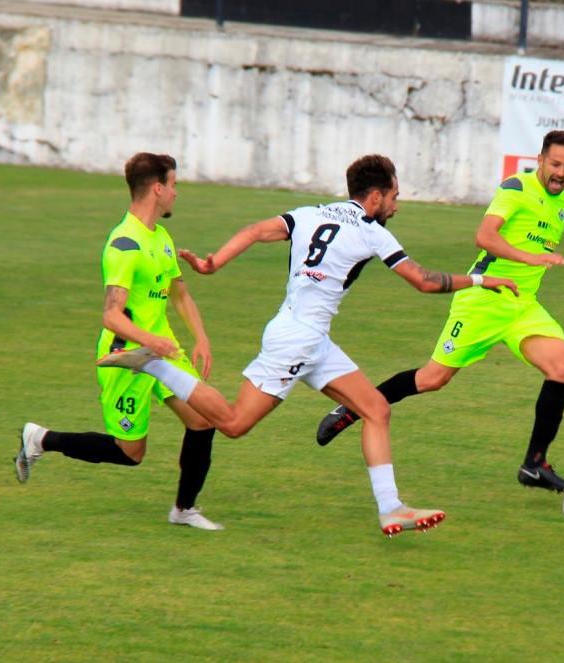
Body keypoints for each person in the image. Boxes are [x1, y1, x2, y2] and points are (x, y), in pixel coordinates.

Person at [97, 154, 518, 537]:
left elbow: (255, 231)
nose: (396, 205)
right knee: (233, 424)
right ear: (374, 197)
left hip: (308, 337)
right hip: (297, 340)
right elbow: (424, 280)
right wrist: (482, 279)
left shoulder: (310, 213)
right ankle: (152, 365)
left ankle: (391, 508)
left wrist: (213, 263)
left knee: (375, 408)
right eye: (394, 196)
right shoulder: (372, 233)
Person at [315, 130, 564, 494]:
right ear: (540, 159)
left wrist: (531, 267)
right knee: (432, 379)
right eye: (555, 164)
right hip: (483, 300)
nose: (561, 172)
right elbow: (485, 238)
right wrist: (532, 257)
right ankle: (352, 409)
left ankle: (535, 464)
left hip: (522, 305)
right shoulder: (516, 189)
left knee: (563, 367)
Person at [14, 152, 223, 531]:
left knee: (204, 420)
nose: (177, 193)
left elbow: (179, 293)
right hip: (126, 357)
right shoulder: (124, 244)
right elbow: (111, 315)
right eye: (174, 185)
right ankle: (41, 439)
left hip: (163, 353)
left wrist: (201, 338)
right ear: (157, 188)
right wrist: (150, 342)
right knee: (130, 453)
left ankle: (183, 510)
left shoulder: (160, 238)